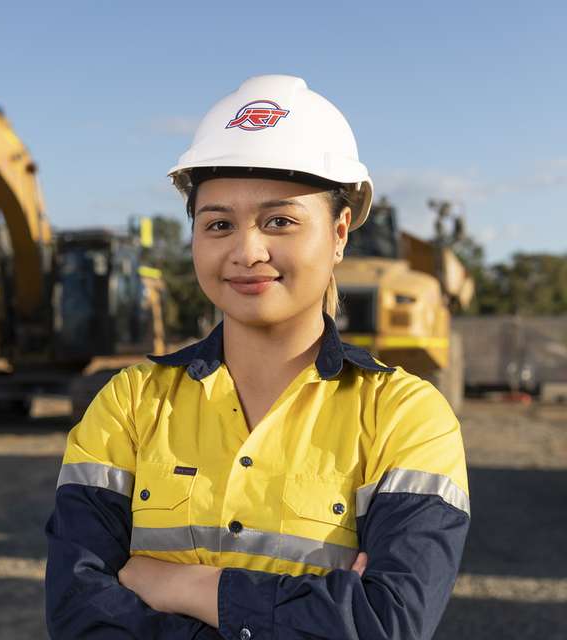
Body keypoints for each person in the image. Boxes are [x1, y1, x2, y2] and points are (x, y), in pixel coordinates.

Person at [44, 75, 470, 639]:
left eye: (280, 221)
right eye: (218, 223)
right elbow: (79, 614)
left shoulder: (406, 417)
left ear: (340, 233)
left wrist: (187, 587)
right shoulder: (129, 403)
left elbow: (388, 623)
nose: (247, 251)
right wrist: (316, 613)